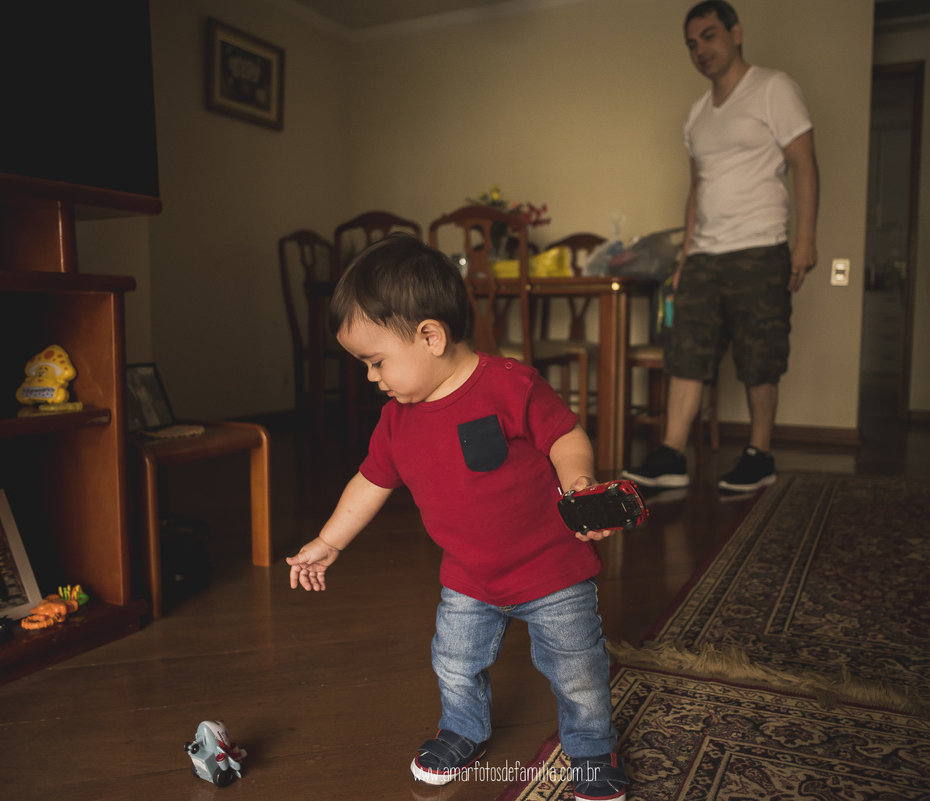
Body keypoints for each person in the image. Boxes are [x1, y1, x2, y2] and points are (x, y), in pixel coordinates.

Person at [286, 233, 628, 801]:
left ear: (431, 336)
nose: (371, 377)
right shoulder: (396, 421)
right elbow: (369, 482)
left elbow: (565, 434)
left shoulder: (510, 385)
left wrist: (579, 481)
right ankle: (463, 730)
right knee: (453, 660)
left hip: (552, 570)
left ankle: (592, 748)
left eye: (376, 362)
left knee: (578, 669)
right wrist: (329, 541)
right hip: (468, 577)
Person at [623, 0, 819, 494]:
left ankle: (758, 455)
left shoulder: (773, 87)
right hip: (704, 255)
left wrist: (805, 241)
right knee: (685, 354)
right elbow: (698, 188)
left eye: (709, 36)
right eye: (692, 43)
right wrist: (685, 255)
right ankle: (671, 455)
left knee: (760, 355)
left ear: (736, 33)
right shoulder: (696, 115)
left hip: (760, 246)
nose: (700, 50)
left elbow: (804, 162)